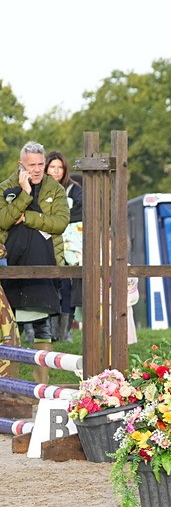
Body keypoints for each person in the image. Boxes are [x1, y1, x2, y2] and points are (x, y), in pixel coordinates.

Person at [0, 142, 69, 373]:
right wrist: (25, 195)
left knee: (43, 325)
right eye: (32, 165)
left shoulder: (56, 189)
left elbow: (60, 223)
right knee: (10, 330)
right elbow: (3, 221)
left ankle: (42, 389)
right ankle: (12, 385)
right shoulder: (5, 187)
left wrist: (28, 217)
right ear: (21, 164)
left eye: (41, 164)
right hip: (10, 264)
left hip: (44, 263)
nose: (38, 169)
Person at [46, 151, 83, 341]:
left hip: (70, 245)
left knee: (69, 287)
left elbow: (80, 211)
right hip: (46, 242)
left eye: (59, 167)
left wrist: (57, 217)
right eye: (52, 167)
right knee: (49, 284)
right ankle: (47, 331)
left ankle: (64, 332)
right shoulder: (40, 188)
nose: (56, 171)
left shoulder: (74, 189)